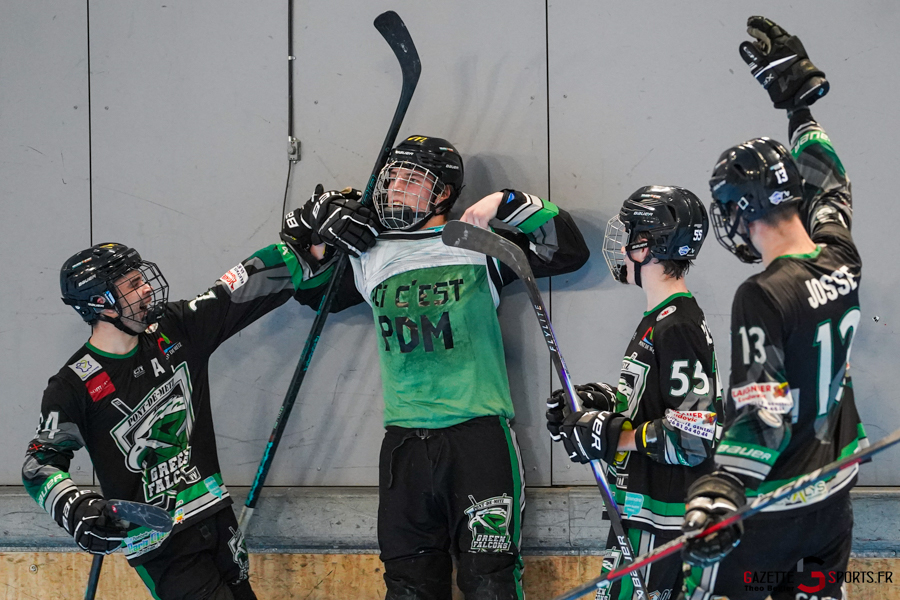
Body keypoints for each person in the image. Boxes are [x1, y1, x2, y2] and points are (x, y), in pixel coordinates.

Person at [280, 134, 590, 600]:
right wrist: (317, 222)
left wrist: (505, 201)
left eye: (411, 179)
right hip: (404, 444)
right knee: (409, 588)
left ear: (442, 193)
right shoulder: (370, 254)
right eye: (392, 178)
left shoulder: (477, 244)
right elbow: (304, 288)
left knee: (489, 582)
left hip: (477, 440)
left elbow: (567, 250)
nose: (395, 187)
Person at [22, 241, 340, 599]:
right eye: (131, 284)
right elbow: (39, 465)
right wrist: (75, 506)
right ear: (100, 304)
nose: (145, 288)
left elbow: (232, 290)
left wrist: (306, 245)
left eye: (141, 278)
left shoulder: (174, 327)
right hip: (159, 542)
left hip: (215, 512)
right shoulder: (72, 385)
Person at [679, 17, 867, 600]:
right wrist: (800, 108)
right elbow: (831, 187)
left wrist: (721, 485)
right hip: (833, 501)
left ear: (742, 209)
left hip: (776, 509)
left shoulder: (762, 293)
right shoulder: (842, 257)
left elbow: (765, 413)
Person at [545, 186, 723, 600]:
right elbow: (651, 402)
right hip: (637, 508)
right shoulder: (659, 318)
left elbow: (694, 436)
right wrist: (595, 402)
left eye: (628, 236)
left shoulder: (677, 325)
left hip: (662, 518)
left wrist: (612, 435)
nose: (622, 247)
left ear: (648, 245)